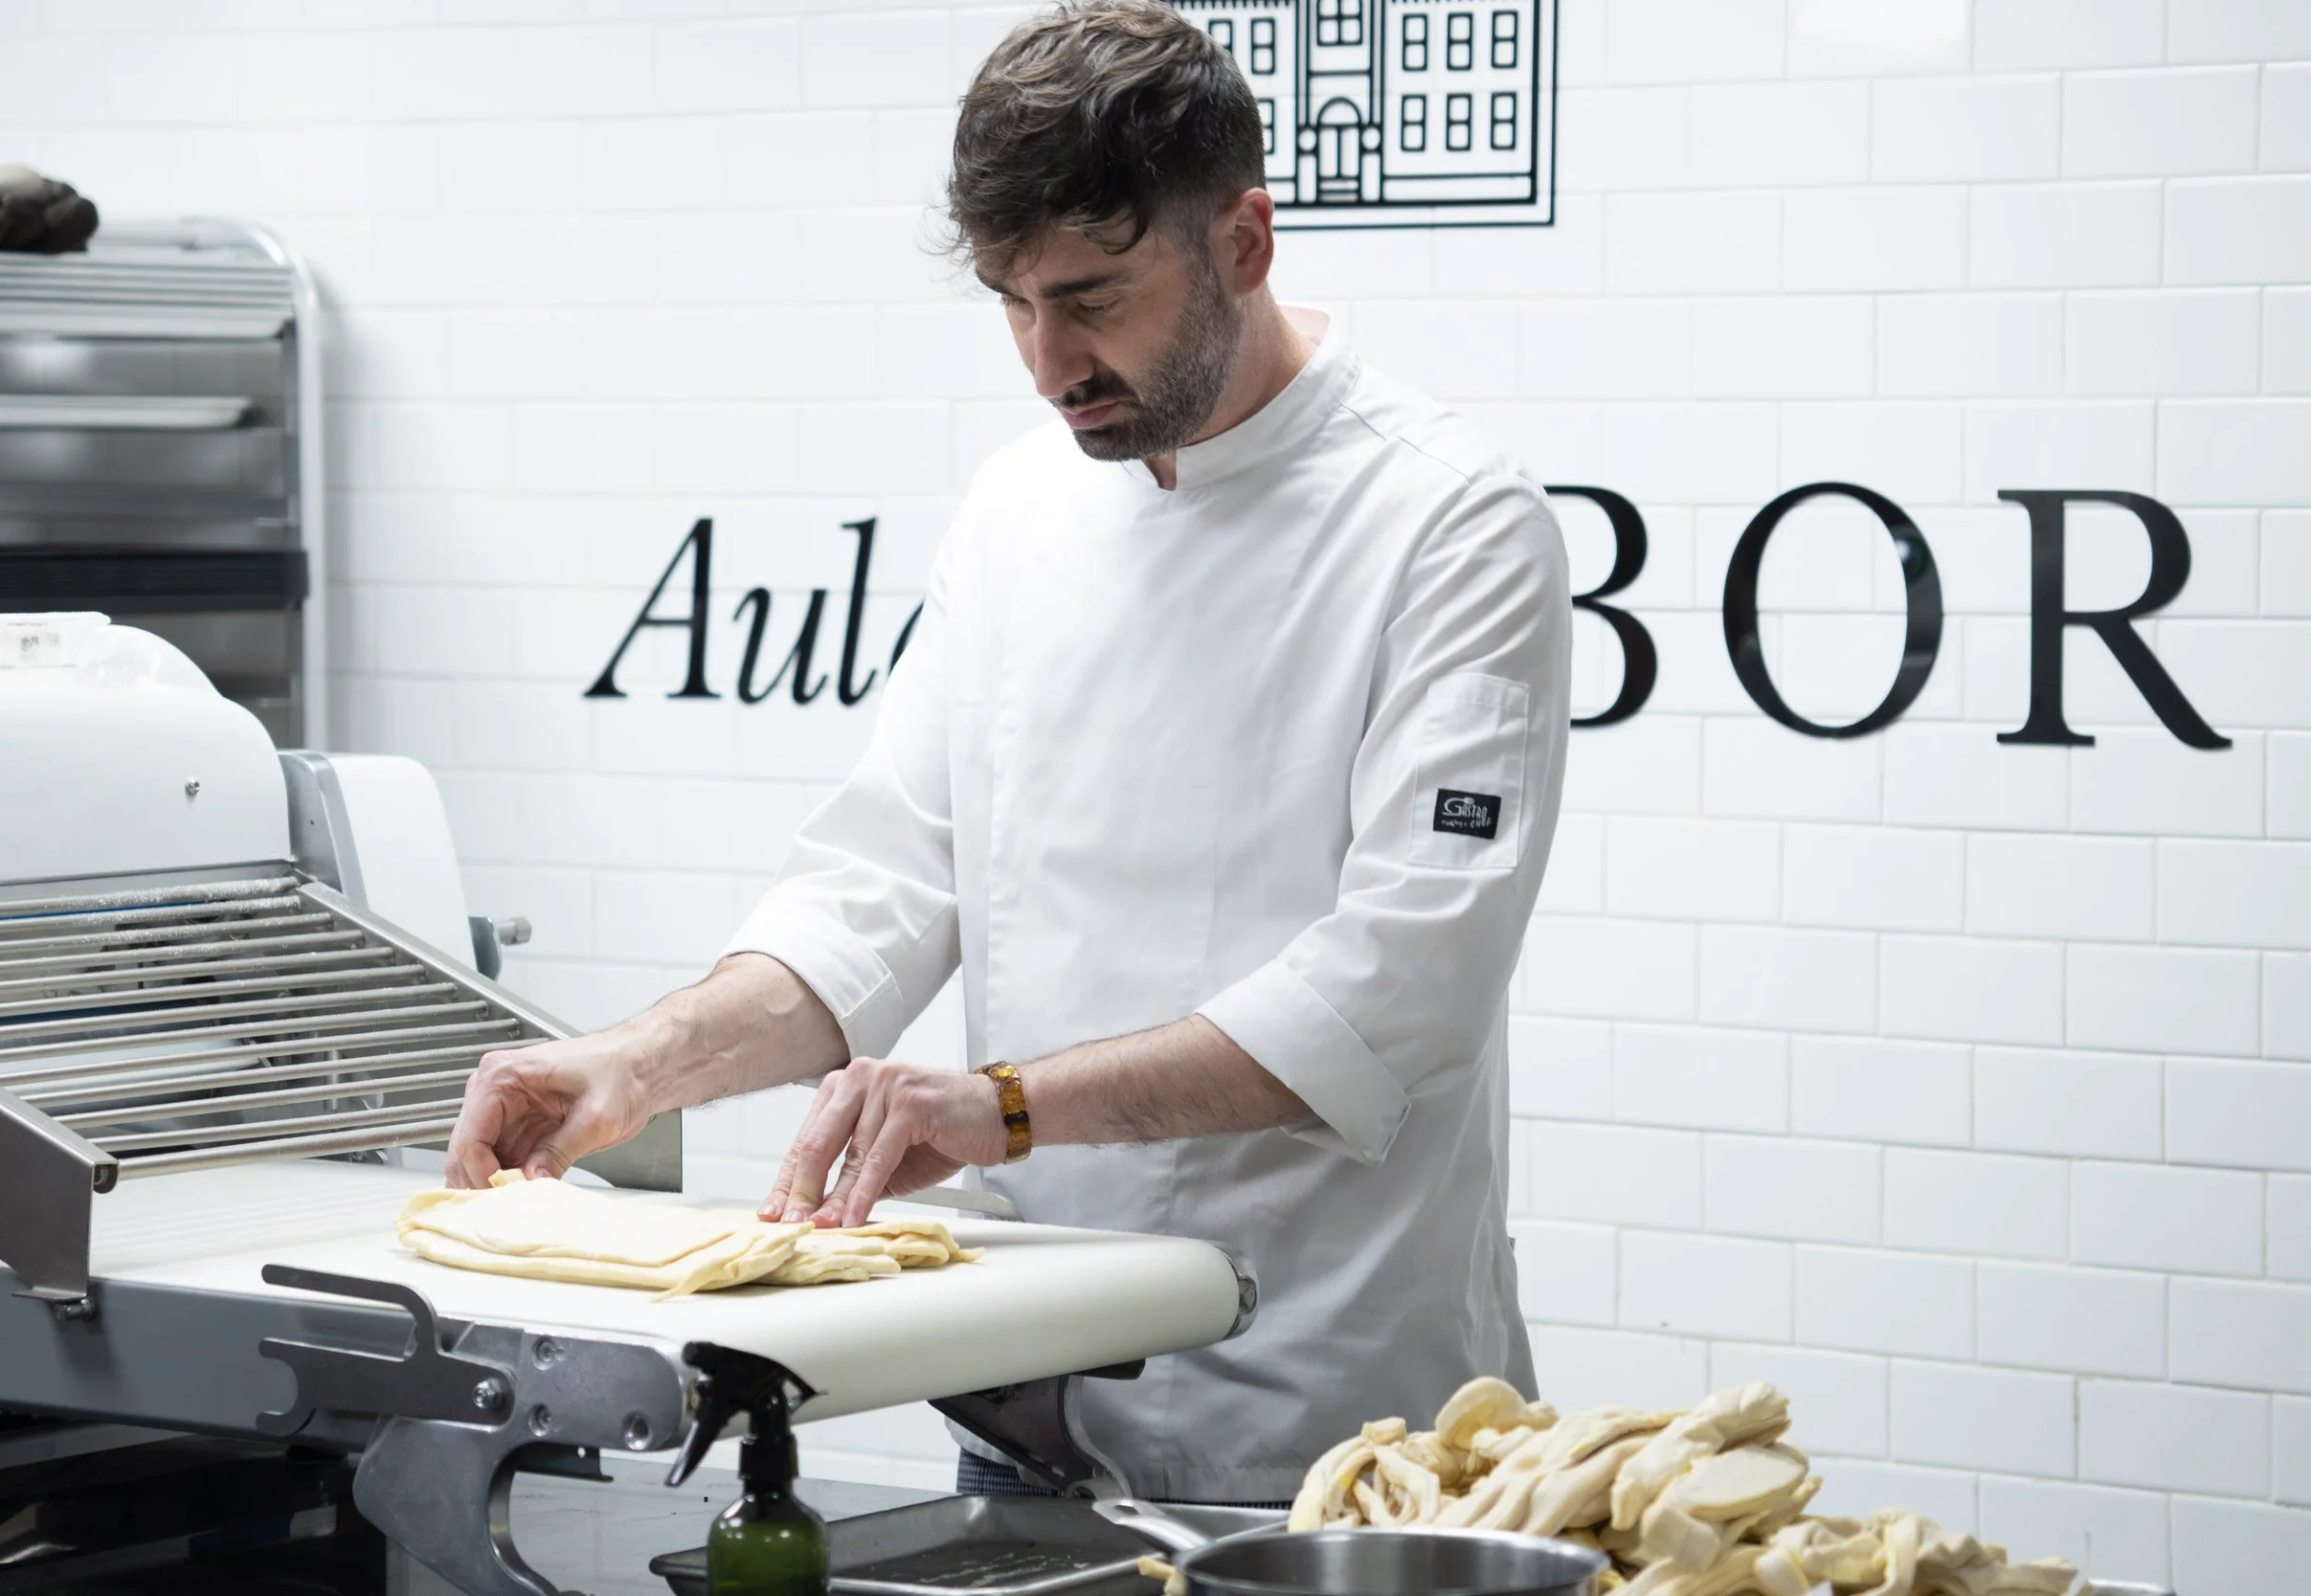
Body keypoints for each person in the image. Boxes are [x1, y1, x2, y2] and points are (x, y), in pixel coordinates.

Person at [446, 0, 1572, 1506]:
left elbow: (1399, 989)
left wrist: (1004, 1107)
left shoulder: (1451, 522)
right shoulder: (1020, 510)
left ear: (1246, 239)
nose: (1051, 362)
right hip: (1029, 1398)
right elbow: (885, 886)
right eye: (1013, 302)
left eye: (1095, 298)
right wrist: (632, 1068)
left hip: (1325, 1425)